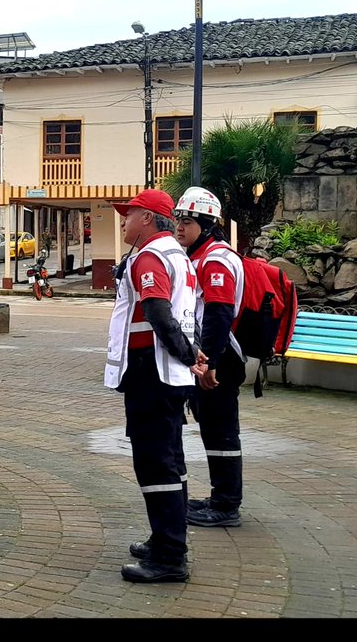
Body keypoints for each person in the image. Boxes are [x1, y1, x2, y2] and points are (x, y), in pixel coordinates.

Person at [103, 189, 203, 584]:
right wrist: (191, 356)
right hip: (168, 374)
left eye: (128, 215)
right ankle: (165, 540)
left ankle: (169, 556)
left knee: (154, 461)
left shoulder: (150, 256)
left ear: (147, 218)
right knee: (170, 460)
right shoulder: (177, 254)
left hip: (153, 372)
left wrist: (188, 355)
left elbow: (159, 313)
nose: (123, 221)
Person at [173, 187, 246, 529]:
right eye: (178, 220)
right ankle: (221, 498)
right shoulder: (200, 256)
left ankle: (227, 505)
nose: (180, 227)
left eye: (187, 221)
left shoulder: (215, 259)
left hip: (219, 355)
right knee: (213, 430)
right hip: (210, 353)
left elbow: (218, 312)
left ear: (207, 223)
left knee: (221, 431)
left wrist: (210, 363)